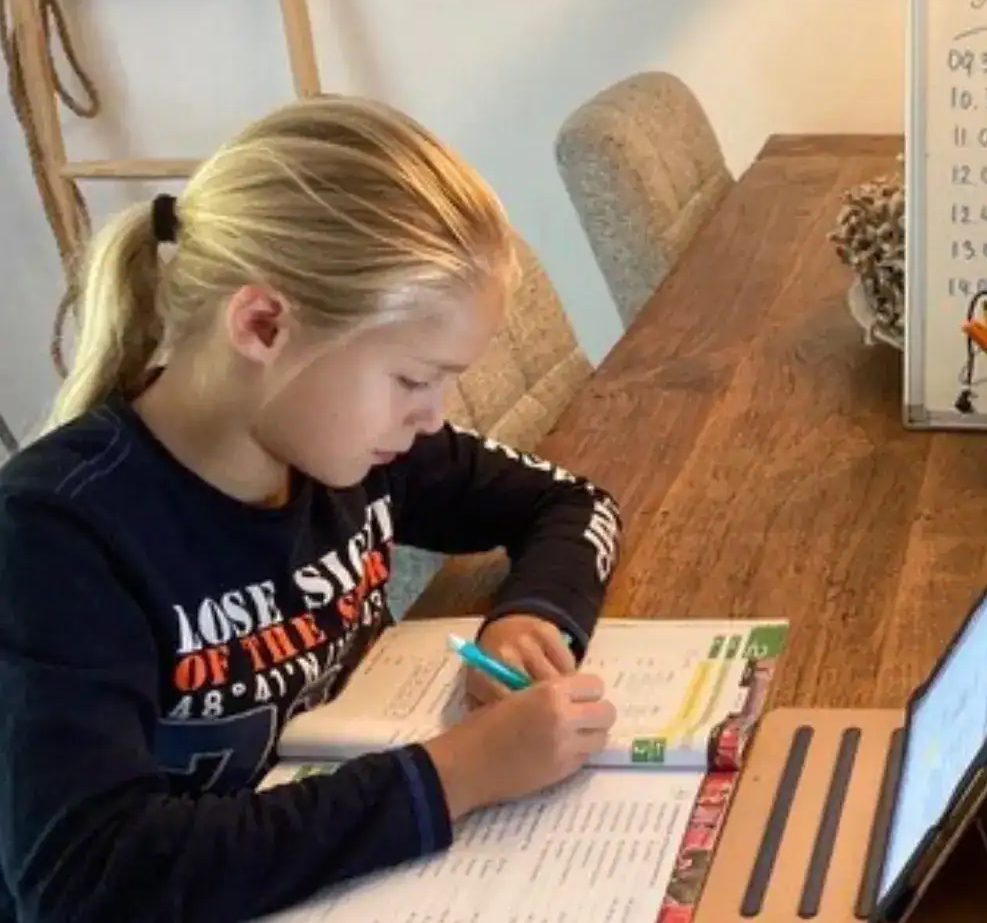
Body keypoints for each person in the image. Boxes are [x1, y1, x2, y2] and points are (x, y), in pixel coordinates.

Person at [0, 96, 625, 922]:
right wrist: (453, 776)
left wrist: (531, 618)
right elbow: (85, 882)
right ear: (263, 325)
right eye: (413, 378)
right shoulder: (55, 537)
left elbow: (573, 501)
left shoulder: (338, 449)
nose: (433, 416)